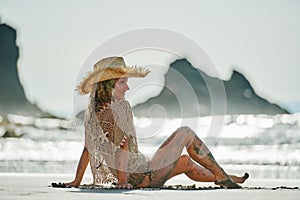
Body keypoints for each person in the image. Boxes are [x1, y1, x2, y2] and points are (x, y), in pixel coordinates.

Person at [63, 56, 248, 189]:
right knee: (185, 132)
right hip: (143, 175)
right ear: (108, 85)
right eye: (122, 82)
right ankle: (222, 176)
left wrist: (76, 181)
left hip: (143, 169)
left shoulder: (93, 114)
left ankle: (225, 177)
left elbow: (88, 148)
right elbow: (123, 147)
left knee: (186, 162)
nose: (127, 87)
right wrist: (122, 181)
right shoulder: (116, 110)